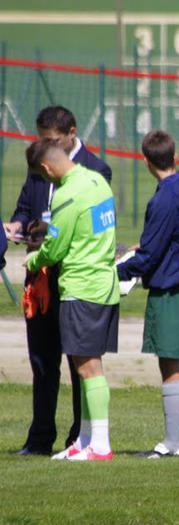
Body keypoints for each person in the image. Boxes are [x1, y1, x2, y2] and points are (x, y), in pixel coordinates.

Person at [4, 105, 112, 456]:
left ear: (71, 133)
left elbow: (81, 230)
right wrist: (18, 225)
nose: (48, 146)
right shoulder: (41, 165)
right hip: (43, 282)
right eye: (43, 139)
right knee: (41, 360)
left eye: (52, 140)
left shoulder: (96, 171)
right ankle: (39, 439)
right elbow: (25, 206)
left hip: (74, 279)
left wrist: (43, 247)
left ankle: (82, 438)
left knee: (81, 363)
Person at [117, 130, 179, 458]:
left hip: (173, 290)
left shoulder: (163, 198)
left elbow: (151, 254)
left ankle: (172, 443)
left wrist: (118, 271)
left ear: (146, 161)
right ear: (174, 155)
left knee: (169, 366)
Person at [24, 138, 119, 461]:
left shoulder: (66, 194)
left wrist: (34, 261)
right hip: (105, 282)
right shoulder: (98, 181)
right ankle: (85, 439)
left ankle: (101, 445)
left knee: (88, 367)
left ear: (48, 168)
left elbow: (55, 247)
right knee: (87, 365)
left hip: (82, 285)